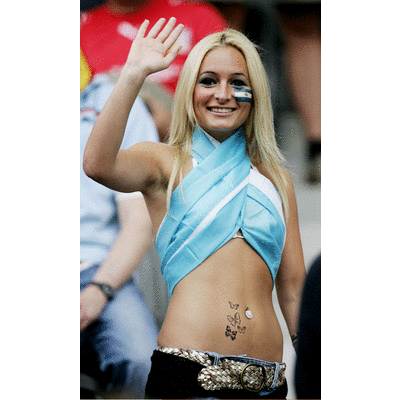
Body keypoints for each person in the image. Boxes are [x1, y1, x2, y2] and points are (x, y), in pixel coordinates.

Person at [83, 17, 306, 399]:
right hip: (187, 377)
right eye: (209, 81)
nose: (223, 94)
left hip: (268, 383)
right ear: (189, 90)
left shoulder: (277, 179)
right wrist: (133, 74)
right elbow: (97, 165)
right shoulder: (163, 162)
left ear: (256, 93)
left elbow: (293, 288)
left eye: (238, 82)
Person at [80, 74, 159, 398]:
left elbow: (139, 223)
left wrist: (99, 290)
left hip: (101, 271)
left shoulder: (114, 101)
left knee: (142, 362)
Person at [80, 0, 228, 140]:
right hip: (113, 129)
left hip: (187, 119)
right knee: (110, 85)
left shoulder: (197, 14)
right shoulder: (84, 26)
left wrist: (183, 124)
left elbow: (228, 84)